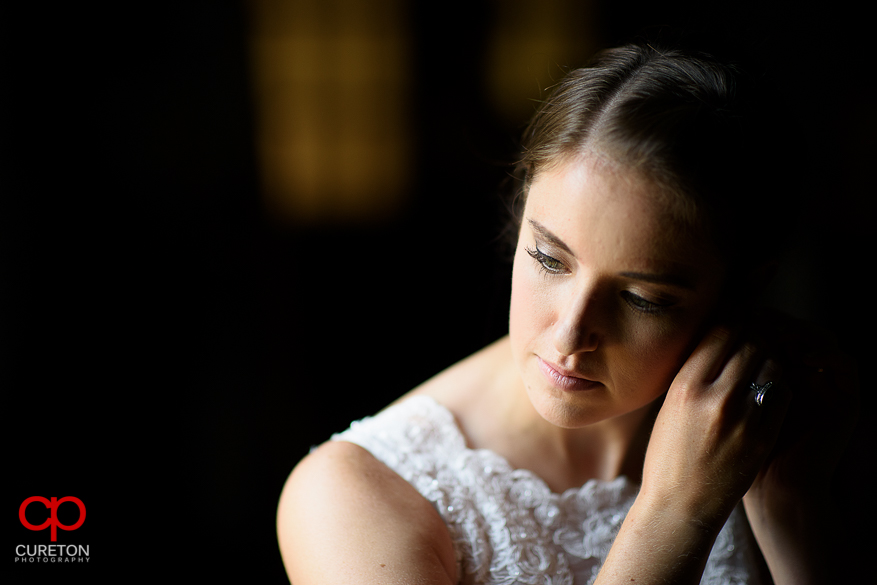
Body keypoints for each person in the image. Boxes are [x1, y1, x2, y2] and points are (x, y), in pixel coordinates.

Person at [276, 42, 859, 584]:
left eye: (642, 299)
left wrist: (792, 509)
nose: (571, 333)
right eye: (550, 259)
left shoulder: (777, 437)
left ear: (740, 292)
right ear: (521, 204)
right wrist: (675, 513)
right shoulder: (351, 495)